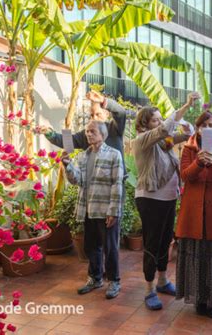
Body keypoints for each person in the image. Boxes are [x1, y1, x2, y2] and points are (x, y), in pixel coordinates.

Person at [133, 92, 199, 310]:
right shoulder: (142, 140)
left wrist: (188, 131)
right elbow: (165, 130)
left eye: (161, 118)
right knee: (152, 243)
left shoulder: (163, 143)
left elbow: (176, 137)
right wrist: (186, 106)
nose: (160, 123)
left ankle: (162, 281)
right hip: (151, 199)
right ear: (144, 125)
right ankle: (149, 289)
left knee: (165, 241)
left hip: (169, 198)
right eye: (155, 119)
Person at [175, 111, 212, 318]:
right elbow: (184, 176)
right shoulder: (189, 148)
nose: (208, 128)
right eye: (204, 125)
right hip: (193, 210)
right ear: (198, 128)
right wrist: (199, 163)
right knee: (198, 255)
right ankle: (199, 298)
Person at [61, 120, 124, 299]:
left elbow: (117, 184)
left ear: (103, 135)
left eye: (93, 131)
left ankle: (114, 281)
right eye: (87, 131)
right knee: (91, 247)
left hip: (106, 211)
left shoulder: (114, 155)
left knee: (110, 248)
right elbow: (77, 180)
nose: (88, 134)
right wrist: (67, 164)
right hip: (88, 209)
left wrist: (113, 211)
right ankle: (95, 278)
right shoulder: (82, 156)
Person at [40, 90, 131, 176]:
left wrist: (103, 101)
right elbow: (68, 141)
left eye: (98, 114)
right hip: (95, 184)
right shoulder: (87, 134)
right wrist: (50, 134)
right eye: (92, 115)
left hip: (116, 183)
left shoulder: (114, 128)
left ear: (107, 114)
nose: (94, 118)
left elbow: (121, 113)